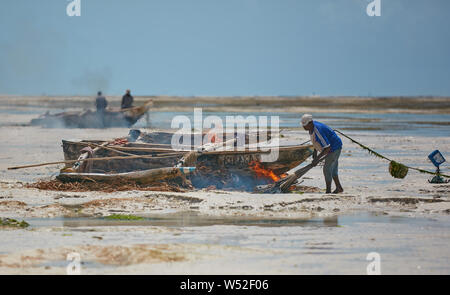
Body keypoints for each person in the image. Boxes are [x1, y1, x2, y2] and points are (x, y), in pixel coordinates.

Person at [301, 114, 344, 194]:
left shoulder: (318, 130)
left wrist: (317, 159)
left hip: (334, 148)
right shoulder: (311, 128)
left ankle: (328, 191)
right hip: (332, 147)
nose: (304, 127)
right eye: (303, 125)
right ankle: (339, 188)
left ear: (311, 123)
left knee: (327, 169)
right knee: (333, 169)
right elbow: (315, 140)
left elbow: (327, 148)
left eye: (305, 125)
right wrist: (315, 151)